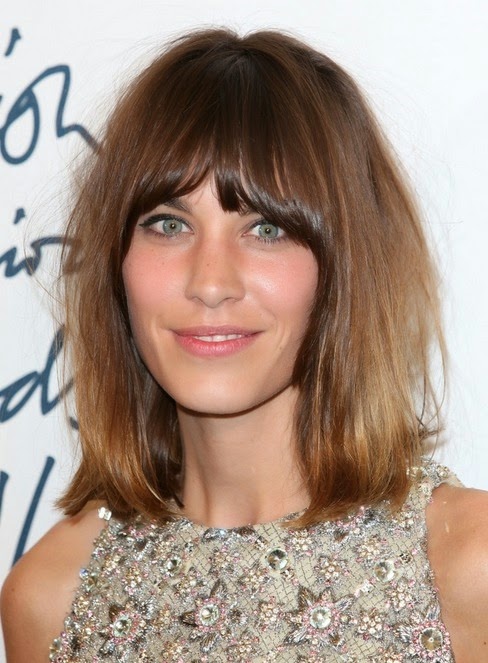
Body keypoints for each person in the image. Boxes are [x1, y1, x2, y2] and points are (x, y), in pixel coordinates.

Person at [1, 27, 488, 662]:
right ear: (117, 264)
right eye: (168, 224)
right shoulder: (49, 597)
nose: (210, 283)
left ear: (345, 269)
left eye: (267, 229)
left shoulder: (466, 565)